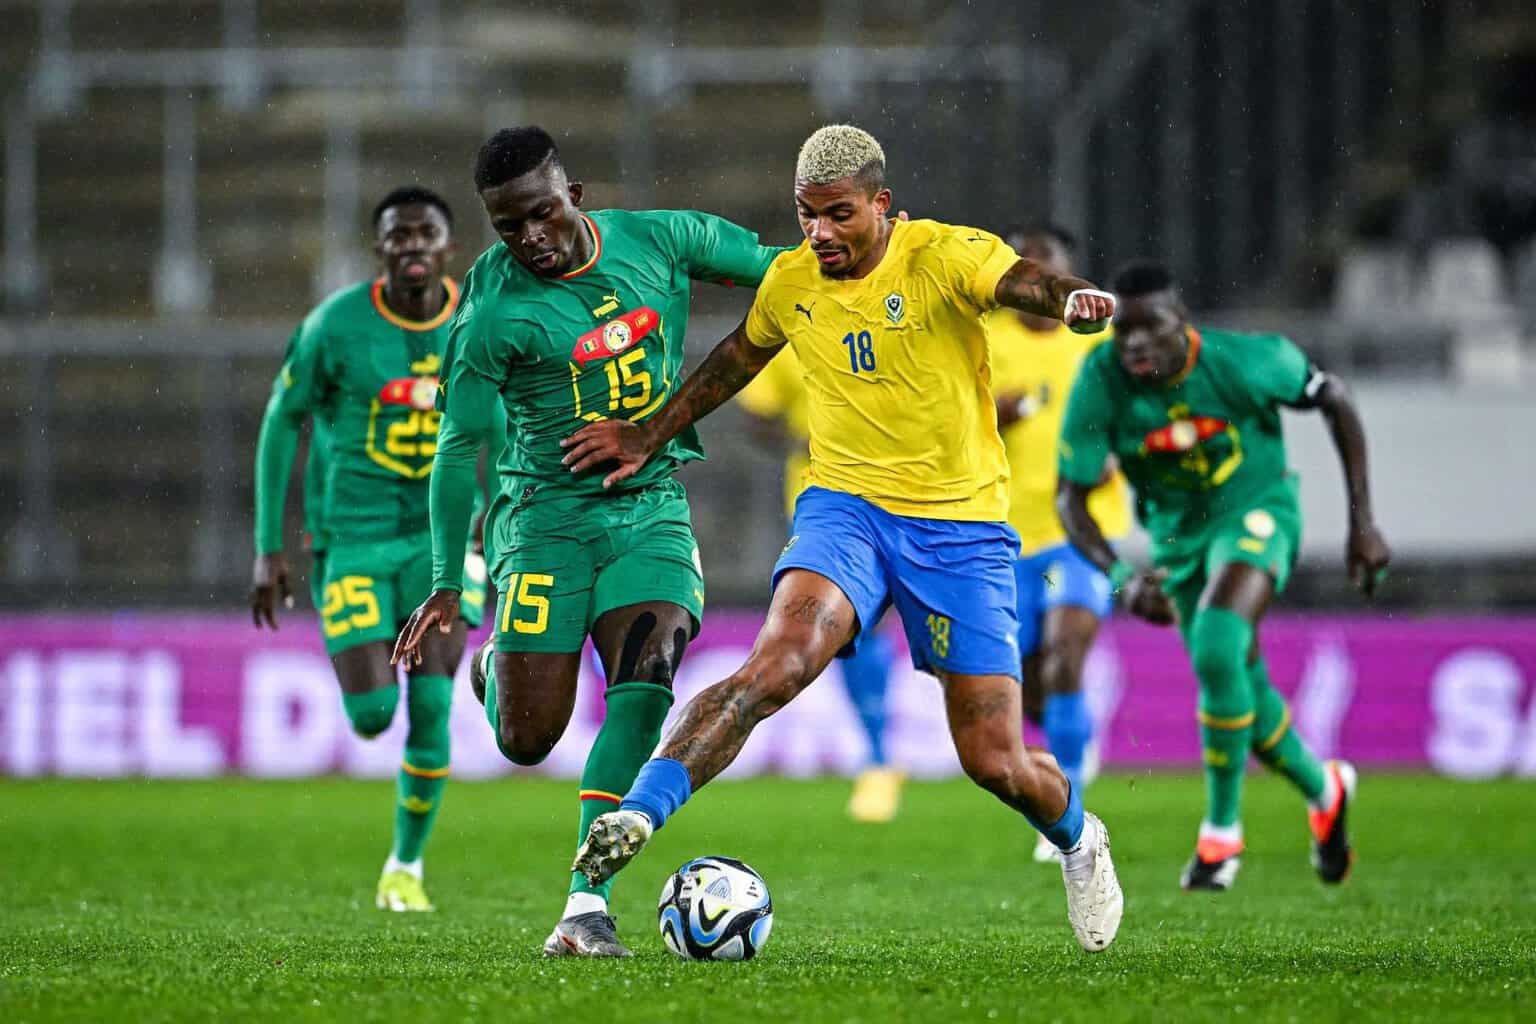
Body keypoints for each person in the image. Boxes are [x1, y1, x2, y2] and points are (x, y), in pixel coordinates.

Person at [564, 124, 1125, 952]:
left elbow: (1024, 282)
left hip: (959, 528)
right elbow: (735, 360)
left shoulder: (941, 254)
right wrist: (650, 433)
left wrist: (1070, 297)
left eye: (837, 215)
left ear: (881, 206)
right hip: (846, 510)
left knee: (995, 762)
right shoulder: (793, 281)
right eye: (805, 216)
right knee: (775, 664)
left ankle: (1081, 837)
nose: (819, 233)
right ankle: (641, 814)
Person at [390, 126, 787, 958]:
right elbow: (460, 445)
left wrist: (879, 260)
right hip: (544, 519)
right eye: (507, 228)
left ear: (577, 195)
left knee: (648, 678)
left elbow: (786, 272)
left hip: (649, 508)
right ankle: (496, 669)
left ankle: (585, 903)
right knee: (528, 739)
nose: (529, 238)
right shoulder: (491, 314)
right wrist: (443, 582)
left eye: (540, 215)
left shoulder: (664, 240)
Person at [1054, 260, 1391, 892]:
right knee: (1237, 683)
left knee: (1215, 643)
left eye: (1149, 327)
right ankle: (1326, 789)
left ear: (1181, 321)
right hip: (1179, 542)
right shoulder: (1100, 382)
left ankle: (1220, 836)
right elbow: (1071, 497)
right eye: (1122, 330)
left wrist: (1363, 522)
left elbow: (1334, 398)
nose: (1133, 343)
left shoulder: (1246, 361)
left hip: (1258, 510)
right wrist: (1123, 577)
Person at [251, 186, 494, 912]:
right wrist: (269, 548)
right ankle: (378, 668)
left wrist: (503, 521)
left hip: (444, 542)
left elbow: (507, 425)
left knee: (430, 703)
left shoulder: (479, 320)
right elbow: (279, 423)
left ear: (448, 247)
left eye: (426, 235)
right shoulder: (335, 326)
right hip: (350, 540)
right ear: (380, 247)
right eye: (398, 236)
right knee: (370, 715)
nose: (412, 247)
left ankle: (405, 869)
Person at [985, 222, 1132, 863]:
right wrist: (997, 412)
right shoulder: (986, 339)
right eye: (1028, 269)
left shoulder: (1100, 348)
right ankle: (1066, 750)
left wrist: (1116, 455)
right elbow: (946, 413)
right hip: (1004, 537)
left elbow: (1143, 411)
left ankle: (1070, 801)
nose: (1039, 281)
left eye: (1051, 269)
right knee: (1024, 679)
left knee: (1066, 655)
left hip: (1081, 534)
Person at [737, 345, 904, 823]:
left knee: (890, 620)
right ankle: (877, 759)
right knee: (852, 625)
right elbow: (757, 415)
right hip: (821, 504)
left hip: (904, 491)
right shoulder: (798, 332)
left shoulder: (896, 318)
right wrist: (800, 440)